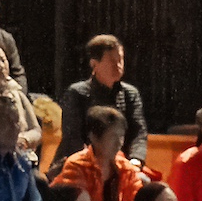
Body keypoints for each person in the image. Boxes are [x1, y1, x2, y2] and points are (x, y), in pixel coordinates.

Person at [52, 34, 147, 170]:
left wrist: (135, 160)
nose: (118, 66)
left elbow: (138, 131)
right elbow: (73, 138)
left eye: (120, 60)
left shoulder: (130, 94)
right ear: (94, 64)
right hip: (80, 163)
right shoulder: (77, 92)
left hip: (121, 164)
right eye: (112, 61)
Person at [52, 103, 148, 201]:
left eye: (121, 136)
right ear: (94, 137)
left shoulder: (126, 168)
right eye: (113, 136)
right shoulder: (77, 164)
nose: (119, 143)